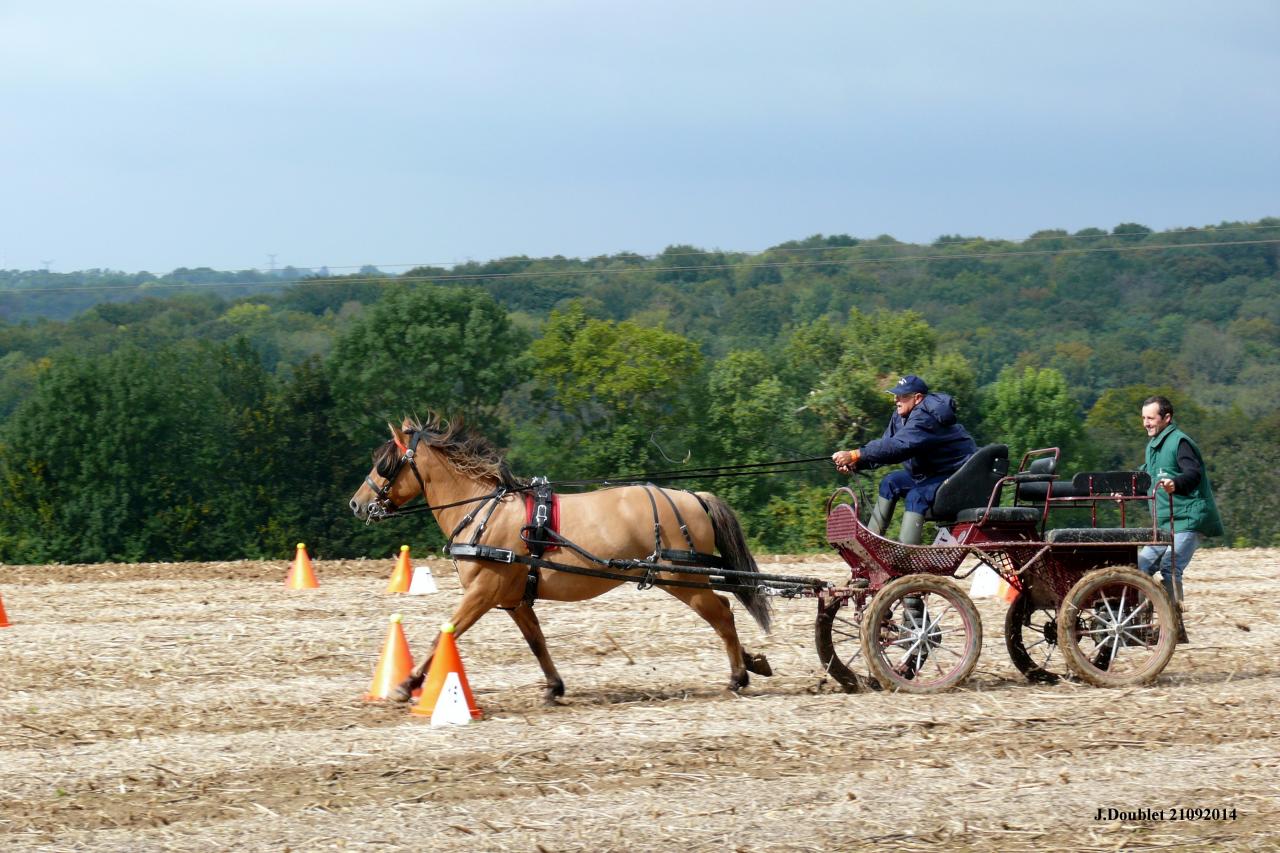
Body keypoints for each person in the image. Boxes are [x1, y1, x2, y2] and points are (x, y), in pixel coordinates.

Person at [831, 374, 977, 545]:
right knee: (890, 481)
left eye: (902, 396)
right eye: (895, 395)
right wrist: (857, 463)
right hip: (930, 473)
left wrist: (855, 454)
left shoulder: (925, 417)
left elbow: (900, 447)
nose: (896, 400)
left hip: (956, 474)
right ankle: (869, 545)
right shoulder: (900, 416)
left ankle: (906, 554)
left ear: (918, 398)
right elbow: (887, 448)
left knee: (916, 496)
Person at [1138, 395, 1224, 644]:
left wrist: (1176, 483)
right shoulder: (1153, 445)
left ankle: (1174, 626)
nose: (1146, 423)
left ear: (1167, 418)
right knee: (1140, 566)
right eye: (1143, 418)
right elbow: (1146, 474)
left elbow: (1194, 473)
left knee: (1169, 568)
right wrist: (1123, 488)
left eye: (1151, 418)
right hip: (1165, 521)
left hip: (1187, 518)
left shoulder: (1179, 442)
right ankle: (1141, 623)